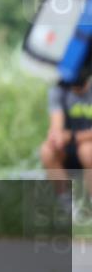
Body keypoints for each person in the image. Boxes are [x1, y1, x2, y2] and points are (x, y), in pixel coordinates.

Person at [41, 77, 92, 213]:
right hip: (68, 150)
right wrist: (56, 136)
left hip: (87, 149)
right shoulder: (59, 88)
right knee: (47, 151)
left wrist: (73, 136)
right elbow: (56, 122)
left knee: (88, 150)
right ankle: (69, 204)